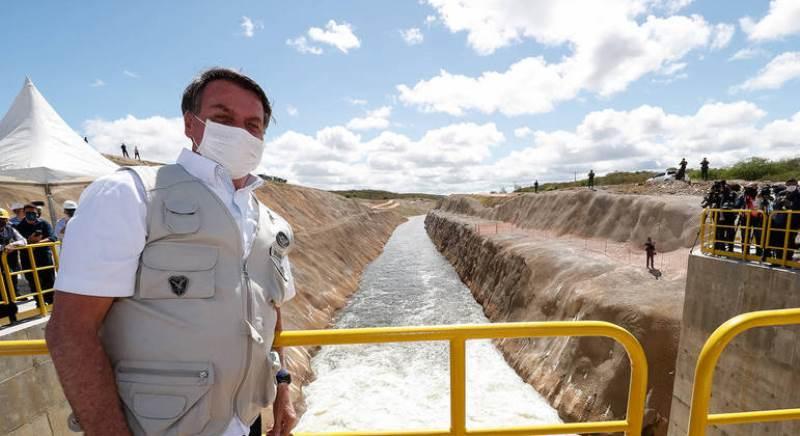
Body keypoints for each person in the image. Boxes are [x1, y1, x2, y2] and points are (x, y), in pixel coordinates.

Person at [46, 68, 298, 436]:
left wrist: (283, 390)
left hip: (246, 422)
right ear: (190, 124)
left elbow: (271, 315)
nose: (240, 133)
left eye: (253, 125)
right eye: (223, 118)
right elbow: (70, 329)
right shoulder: (129, 195)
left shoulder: (271, 224)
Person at [14, 204, 57, 305]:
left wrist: (38, 242)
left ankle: (52, 302)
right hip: (27, 259)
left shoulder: (44, 223)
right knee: (33, 281)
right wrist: (29, 240)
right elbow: (18, 241)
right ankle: (40, 303)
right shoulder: (18, 227)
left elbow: (53, 238)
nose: (31, 215)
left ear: (37, 213)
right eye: (28, 213)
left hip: (44, 257)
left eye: (33, 213)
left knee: (49, 280)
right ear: (24, 213)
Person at [0, 208, 27, 322]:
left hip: (11, 266)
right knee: (2, 293)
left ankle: (12, 317)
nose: (2, 222)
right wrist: (4, 248)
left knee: (11, 292)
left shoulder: (10, 229)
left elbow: (23, 241)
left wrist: (13, 245)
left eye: (3, 220)